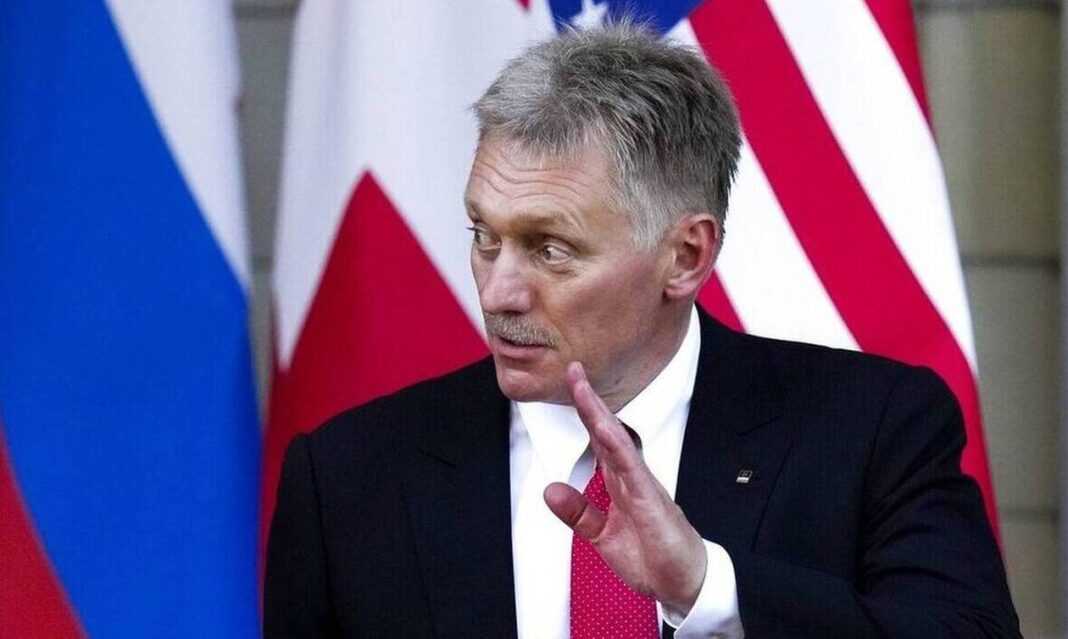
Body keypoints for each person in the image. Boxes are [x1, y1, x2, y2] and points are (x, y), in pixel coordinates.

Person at [264, 22, 1020, 638]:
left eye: (550, 249)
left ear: (686, 256)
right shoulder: (350, 477)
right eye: (484, 236)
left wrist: (706, 588)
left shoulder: (871, 431)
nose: (497, 291)